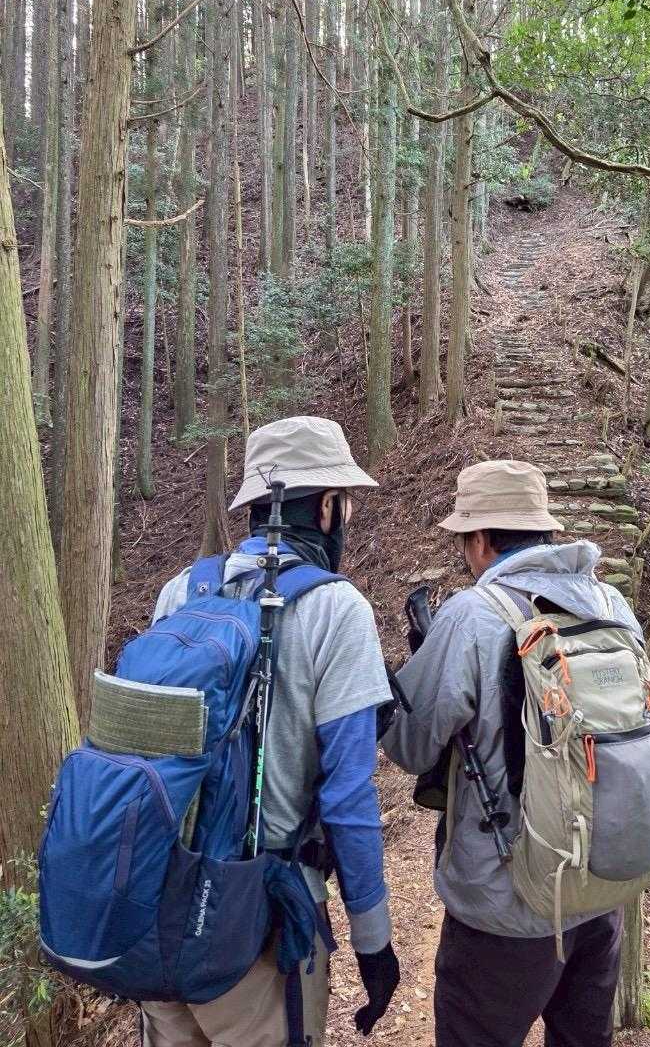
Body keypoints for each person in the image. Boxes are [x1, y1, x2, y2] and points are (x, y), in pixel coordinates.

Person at [141, 416, 400, 1047]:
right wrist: (373, 943)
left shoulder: (181, 592)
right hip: (260, 932)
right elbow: (349, 800)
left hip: (160, 914)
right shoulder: (338, 610)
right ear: (328, 508)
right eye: (345, 503)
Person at [382, 459, 645, 1047]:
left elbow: (411, 744)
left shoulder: (473, 615)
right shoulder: (611, 604)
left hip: (506, 904)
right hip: (600, 888)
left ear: (480, 540)